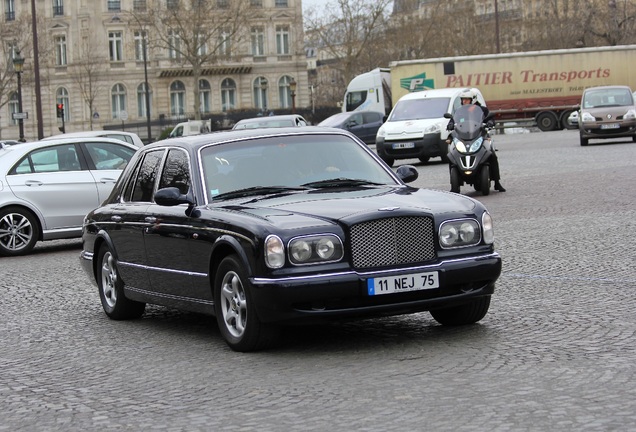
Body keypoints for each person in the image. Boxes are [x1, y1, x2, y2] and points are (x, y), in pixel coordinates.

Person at [447, 89, 506, 192]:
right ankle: (454, 185)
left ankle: (497, 182)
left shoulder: (482, 110)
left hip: (480, 136)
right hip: (463, 137)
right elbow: (453, 120)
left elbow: (490, 119)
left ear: (472, 100)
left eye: (466, 99)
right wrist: (450, 124)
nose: (464, 102)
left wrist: (490, 123)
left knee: (491, 154)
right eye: (463, 99)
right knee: (452, 156)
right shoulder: (459, 111)